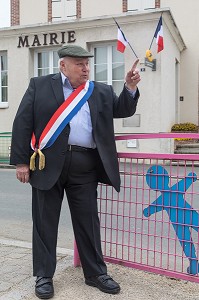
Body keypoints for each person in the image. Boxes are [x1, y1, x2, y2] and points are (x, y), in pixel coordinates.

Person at [10, 44, 140, 299]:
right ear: (63, 65)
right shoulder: (39, 85)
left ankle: (95, 273)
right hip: (46, 165)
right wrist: (21, 162)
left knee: (88, 221)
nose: (86, 68)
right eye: (79, 64)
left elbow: (123, 109)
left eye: (87, 64)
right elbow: (22, 122)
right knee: (45, 223)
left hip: (85, 165)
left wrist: (130, 87)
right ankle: (44, 276)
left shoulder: (99, 90)